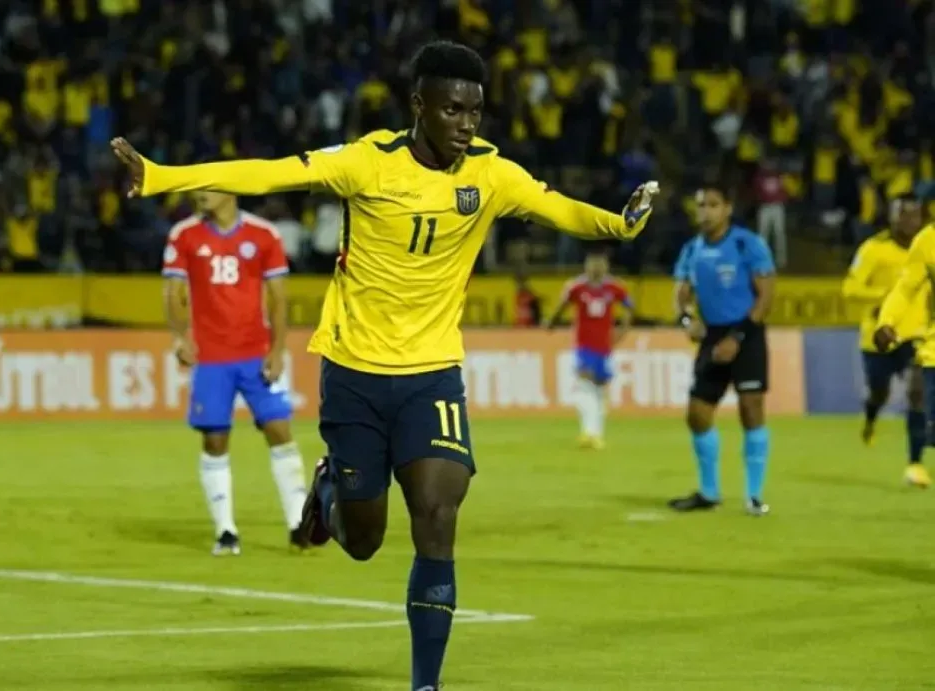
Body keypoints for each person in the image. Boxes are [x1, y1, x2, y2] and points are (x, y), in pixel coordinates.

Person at [112, 40, 657, 691]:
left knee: (437, 511)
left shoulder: (491, 173)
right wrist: (165, 176)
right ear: (419, 105)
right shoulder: (369, 163)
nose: (466, 124)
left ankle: (425, 683)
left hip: (432, 374)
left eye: (475, 111)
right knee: (364, 538)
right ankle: (330, 491)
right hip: (355, 373)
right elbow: (271, 172)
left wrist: (619, 225)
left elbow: (556, 206)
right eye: (453, 109)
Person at [162, 190, 309, 554]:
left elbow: (278, 297)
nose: (200, 193)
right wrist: (180, 337)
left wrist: (277, 349)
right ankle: (226, 530)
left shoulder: (263, 234)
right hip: (211, 358)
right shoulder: (184, 234)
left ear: (230, 189)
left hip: (255, 354)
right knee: (214, 440)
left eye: (208, 186)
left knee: (279, 430)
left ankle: (299, 523)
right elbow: (174, 291)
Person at [671, 184, 776, 516]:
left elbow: (766, 296)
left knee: (751, 410)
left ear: (728, 208)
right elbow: (680, 295)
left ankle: (754, 495)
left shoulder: (748, 244)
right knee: (697, 414)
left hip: (747, 334)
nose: (705, 211)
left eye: (713, 205)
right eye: (701, 205)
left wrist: (738, 338)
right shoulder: (691, 250)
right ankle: (709, 492)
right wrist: (688, 320)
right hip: (712, 335)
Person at [841, 195, 929, 487]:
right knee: (879, 392)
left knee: (917, 392)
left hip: (917, 333)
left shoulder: (926, 246)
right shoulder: (873, 249)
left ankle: (915, 464)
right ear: (891, 216)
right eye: (903, 214)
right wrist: (881, 297)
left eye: (914, 215)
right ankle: (870, 417)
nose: (909, 221)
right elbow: (850, 287)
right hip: (878, 335)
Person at [544, 247, 633, 449]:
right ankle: (588, 432)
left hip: (605, 347)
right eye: (592, 262)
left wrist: (622, 330)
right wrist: (551, 322)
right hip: (584, 345)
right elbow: (562, 305)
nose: (596, 267)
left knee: (600, 390)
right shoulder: (577, 287)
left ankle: (595, 434)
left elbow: (629, 306)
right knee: (585, 383)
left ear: (606, 266)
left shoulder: (615, 288)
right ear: (586, 265)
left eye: (600, 263)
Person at [874, 215, 935, 490]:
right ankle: (915, 462)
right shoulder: (927, 240)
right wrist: (886, 321)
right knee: (920, 404)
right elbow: (906, 288)